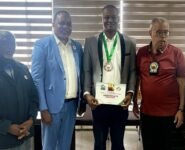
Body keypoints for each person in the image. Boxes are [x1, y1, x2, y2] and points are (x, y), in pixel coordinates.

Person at [83, 5, 136, 150]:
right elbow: (87, 70)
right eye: (106, 17)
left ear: (119, 19)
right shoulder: (91, 42)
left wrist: (130, 94)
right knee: (99, 143)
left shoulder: (130, 42)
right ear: (102, 19)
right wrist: (87, 94)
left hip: (121, 102)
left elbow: (132, 71)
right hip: (98, 102)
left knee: (118, 143)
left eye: (114, 17)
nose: (110, 20)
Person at [133, 17, 185, 150]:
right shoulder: (141, 53)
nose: (163, 37)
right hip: (147, 114)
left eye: (166, 32)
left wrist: (181, 110)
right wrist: (134, 102)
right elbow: (137, 79)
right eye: (159, 32)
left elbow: (182, 83)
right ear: (150, 33)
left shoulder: (176, 53)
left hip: (170, 114)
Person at [31, 10, 83, 150]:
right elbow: (37, 79)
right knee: (49, 146)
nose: (65, 26)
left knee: (65, 146)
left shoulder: (77, 47)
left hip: (71, 106)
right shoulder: (42, 46)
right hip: (51, 108)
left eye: (68, 24)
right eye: (61, 23)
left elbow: (80, 74)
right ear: (53, 24)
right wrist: (43, 109)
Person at [0, 31, 39, 150]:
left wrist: (31, 120)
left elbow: (34, 98)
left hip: (25, 136)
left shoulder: (23, 69)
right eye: (4, 43)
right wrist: (6, 127)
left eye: (12, 43)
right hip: (3, 140)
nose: (9, 47)